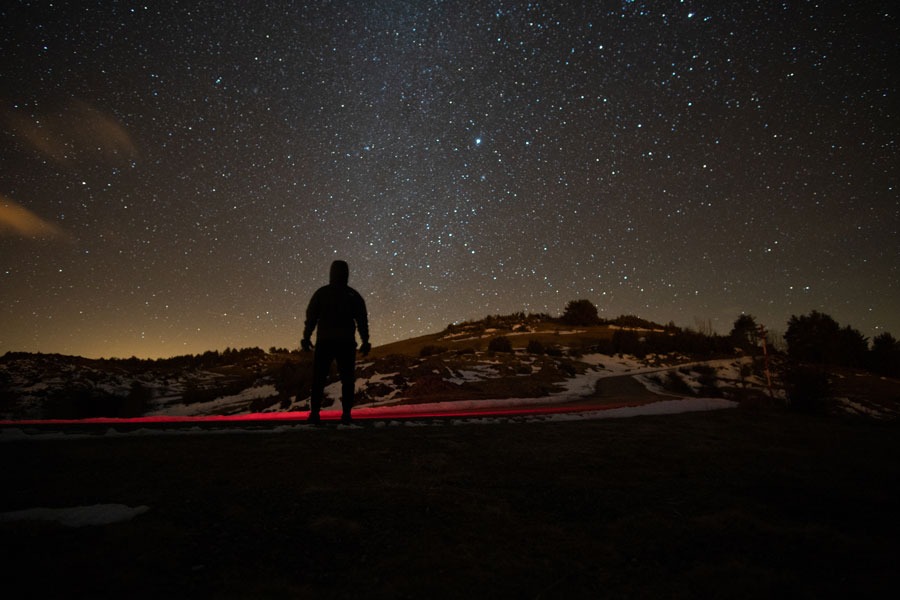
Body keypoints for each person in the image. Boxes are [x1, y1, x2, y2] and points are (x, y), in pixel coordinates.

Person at [301, 260, 370, 424]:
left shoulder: (322, 293)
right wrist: (365, 340)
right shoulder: (353, 295)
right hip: (346, 342)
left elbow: (311, 317)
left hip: (325, 341)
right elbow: (362, 321)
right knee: (347, 379)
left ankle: (315, 413)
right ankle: (346, 414)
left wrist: (306, 336)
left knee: (319, 379)